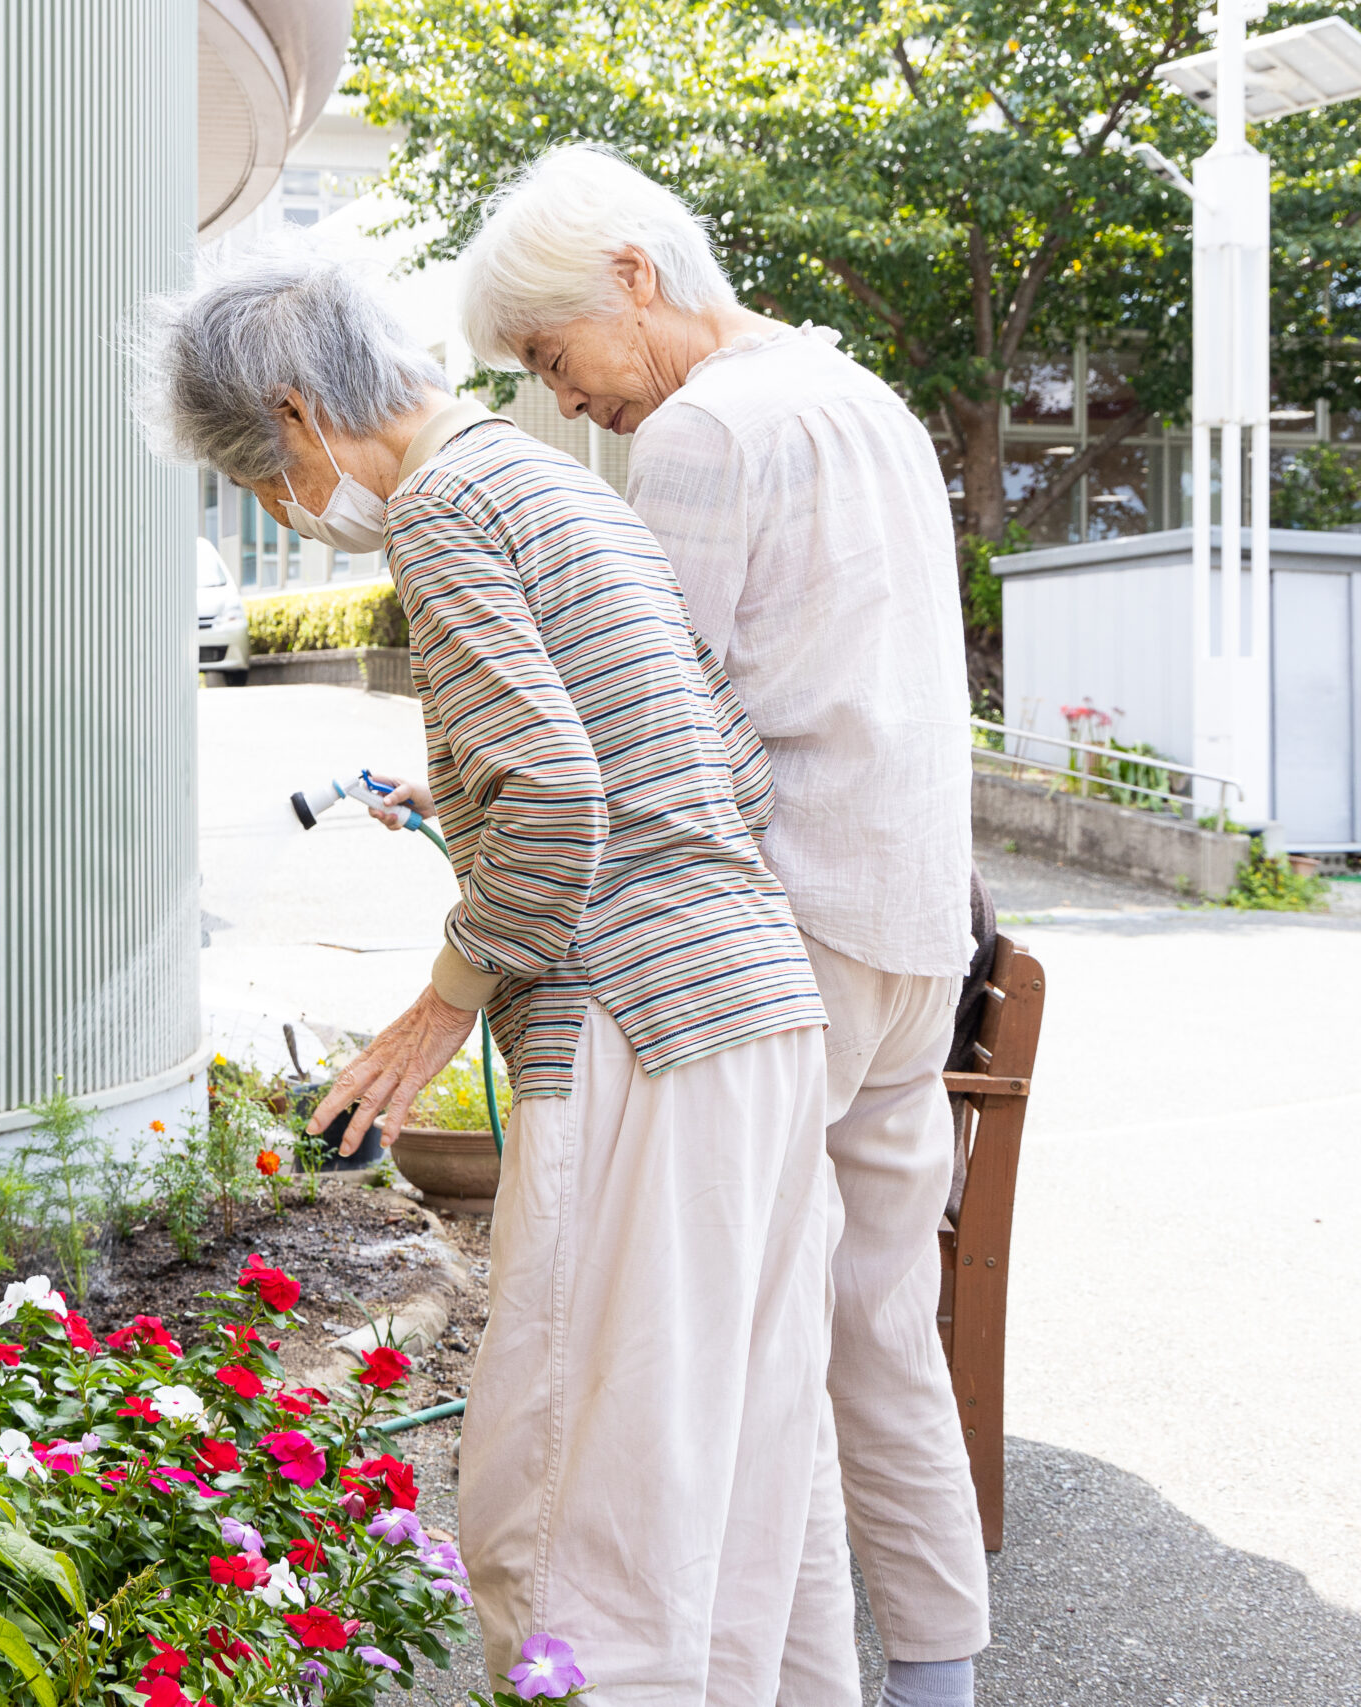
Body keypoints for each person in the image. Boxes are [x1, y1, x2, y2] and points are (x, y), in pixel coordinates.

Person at [137, 251, 844, 1704]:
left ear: (298, 415)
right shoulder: (559, 481)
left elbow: (561, 796)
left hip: (642, 1028)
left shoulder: (448, 512)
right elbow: (713, 760)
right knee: (748, 1456)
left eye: (266, 481)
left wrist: (433, 1009)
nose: (289, 512)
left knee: (581, 1483)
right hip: (757, 1003)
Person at [434, 145, 989, 1707]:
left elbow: (657, 723)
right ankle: (937, 1673)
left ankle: (733, 1674)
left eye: (555, 356)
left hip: (772, 942)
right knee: (879, 1320)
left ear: (631, 277)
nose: (564, 400)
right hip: (913, 923)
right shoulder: (857, 393)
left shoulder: (699, 432)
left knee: (725, 1355)